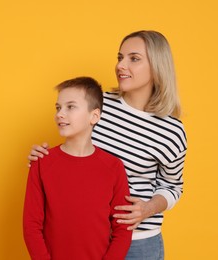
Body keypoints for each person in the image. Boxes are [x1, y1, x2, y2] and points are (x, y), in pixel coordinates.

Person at [27, 30, 187, 260]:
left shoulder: (172, 130)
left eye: (133, 58)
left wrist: (149, 208)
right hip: (91, 240)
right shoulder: (98, 104)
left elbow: (173, 185)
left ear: (157, 66)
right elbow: (75, 154)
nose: (121, 65)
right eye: (119, 57)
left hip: (139, 243)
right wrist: (41, 157)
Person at [23, 77, 132, 260]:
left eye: (70, 107)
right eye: (58, 108)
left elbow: (122, 228)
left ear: (94, 116)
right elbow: (31, 226)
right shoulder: (41, 163)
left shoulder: (113, 167)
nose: (60, 114)